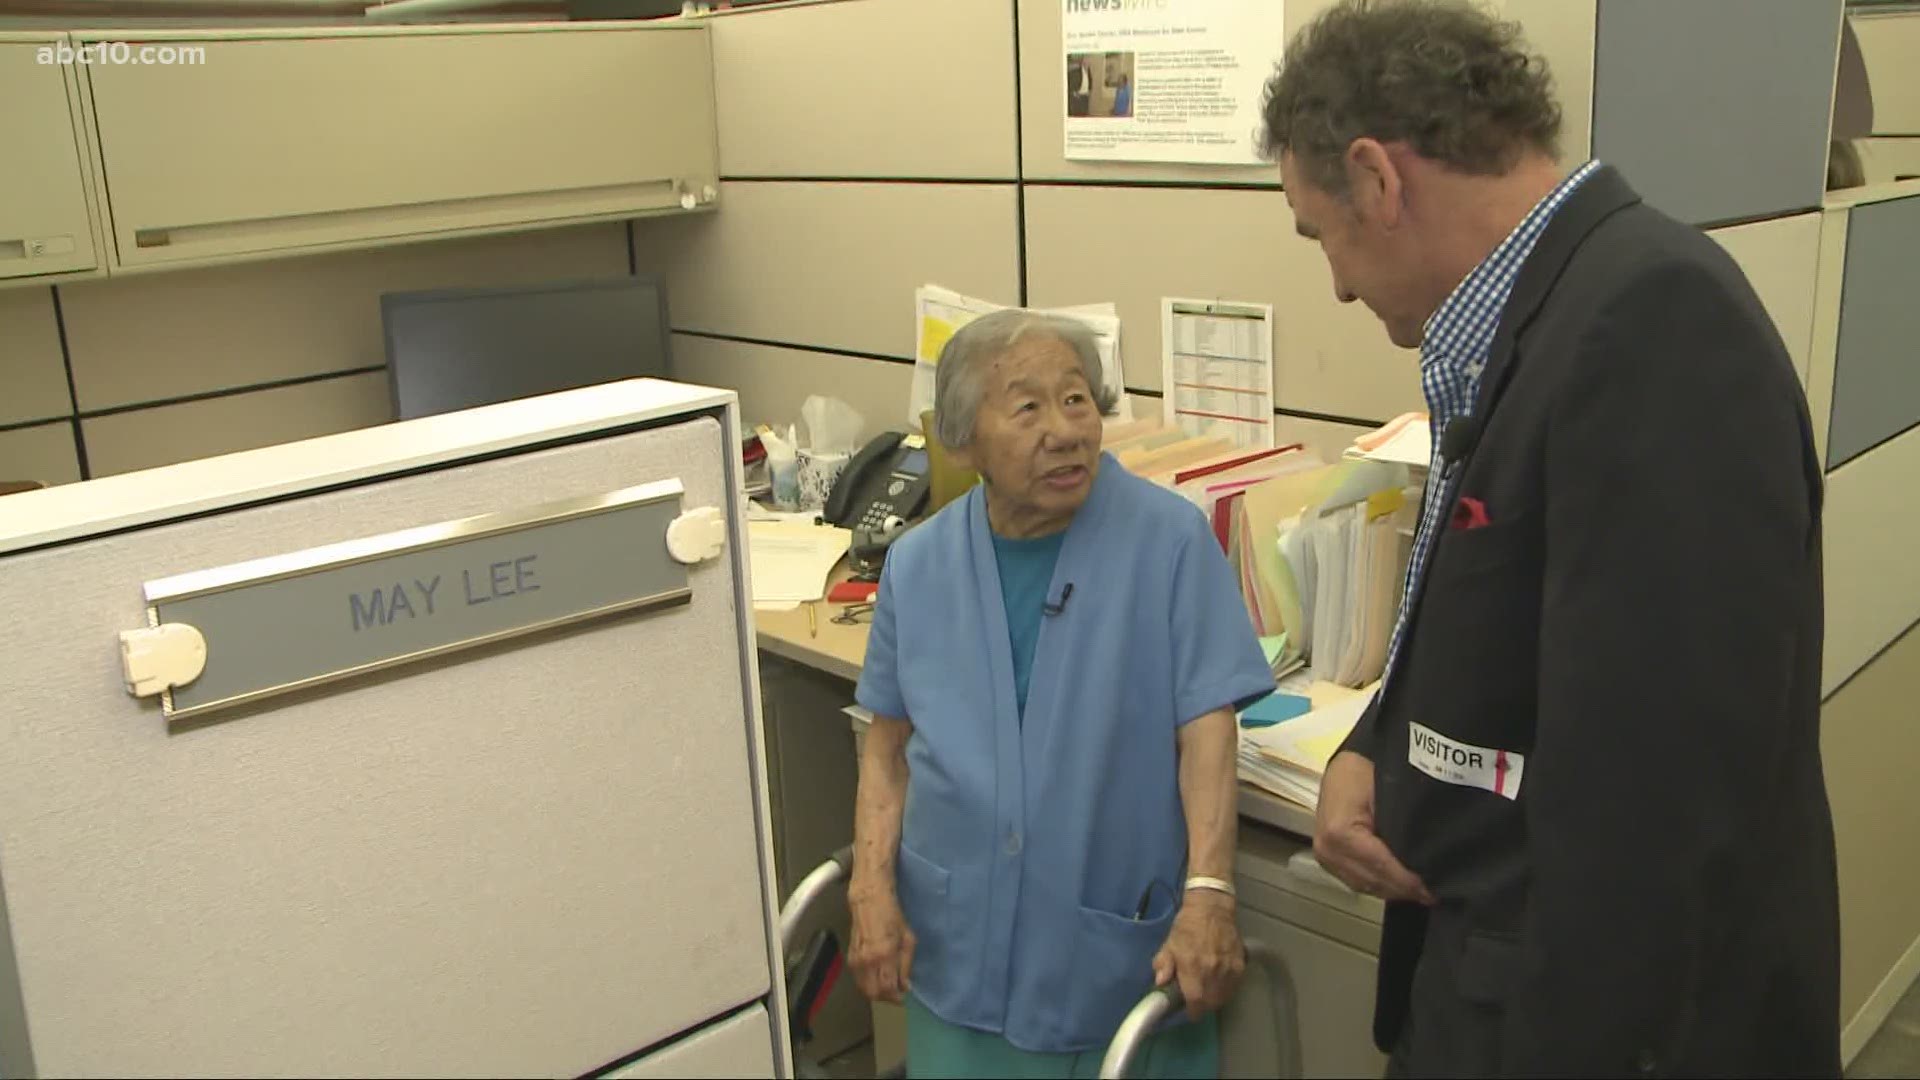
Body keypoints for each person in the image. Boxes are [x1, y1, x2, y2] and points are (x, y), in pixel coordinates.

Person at [1258, 1, 1839, 1076]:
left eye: (1318, 232)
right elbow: (1495, 615)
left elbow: (1655, 816)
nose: (1335, 280)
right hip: (1483, 978)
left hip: (1580, 1027)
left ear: (1379, 179)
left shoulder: (1650, 326)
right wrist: (1374, 745)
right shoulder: (1541, 315)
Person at [847, 308, 1276, 1078]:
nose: (1066, 430)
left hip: (1113, 964)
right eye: (1028, 407)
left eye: (1077, 400)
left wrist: (1210, 894)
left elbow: (1208, 730)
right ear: (960, 439)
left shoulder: (1170, 542)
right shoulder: (917, 566)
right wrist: (870, 889)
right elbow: (887, 748)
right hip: (955, 957)